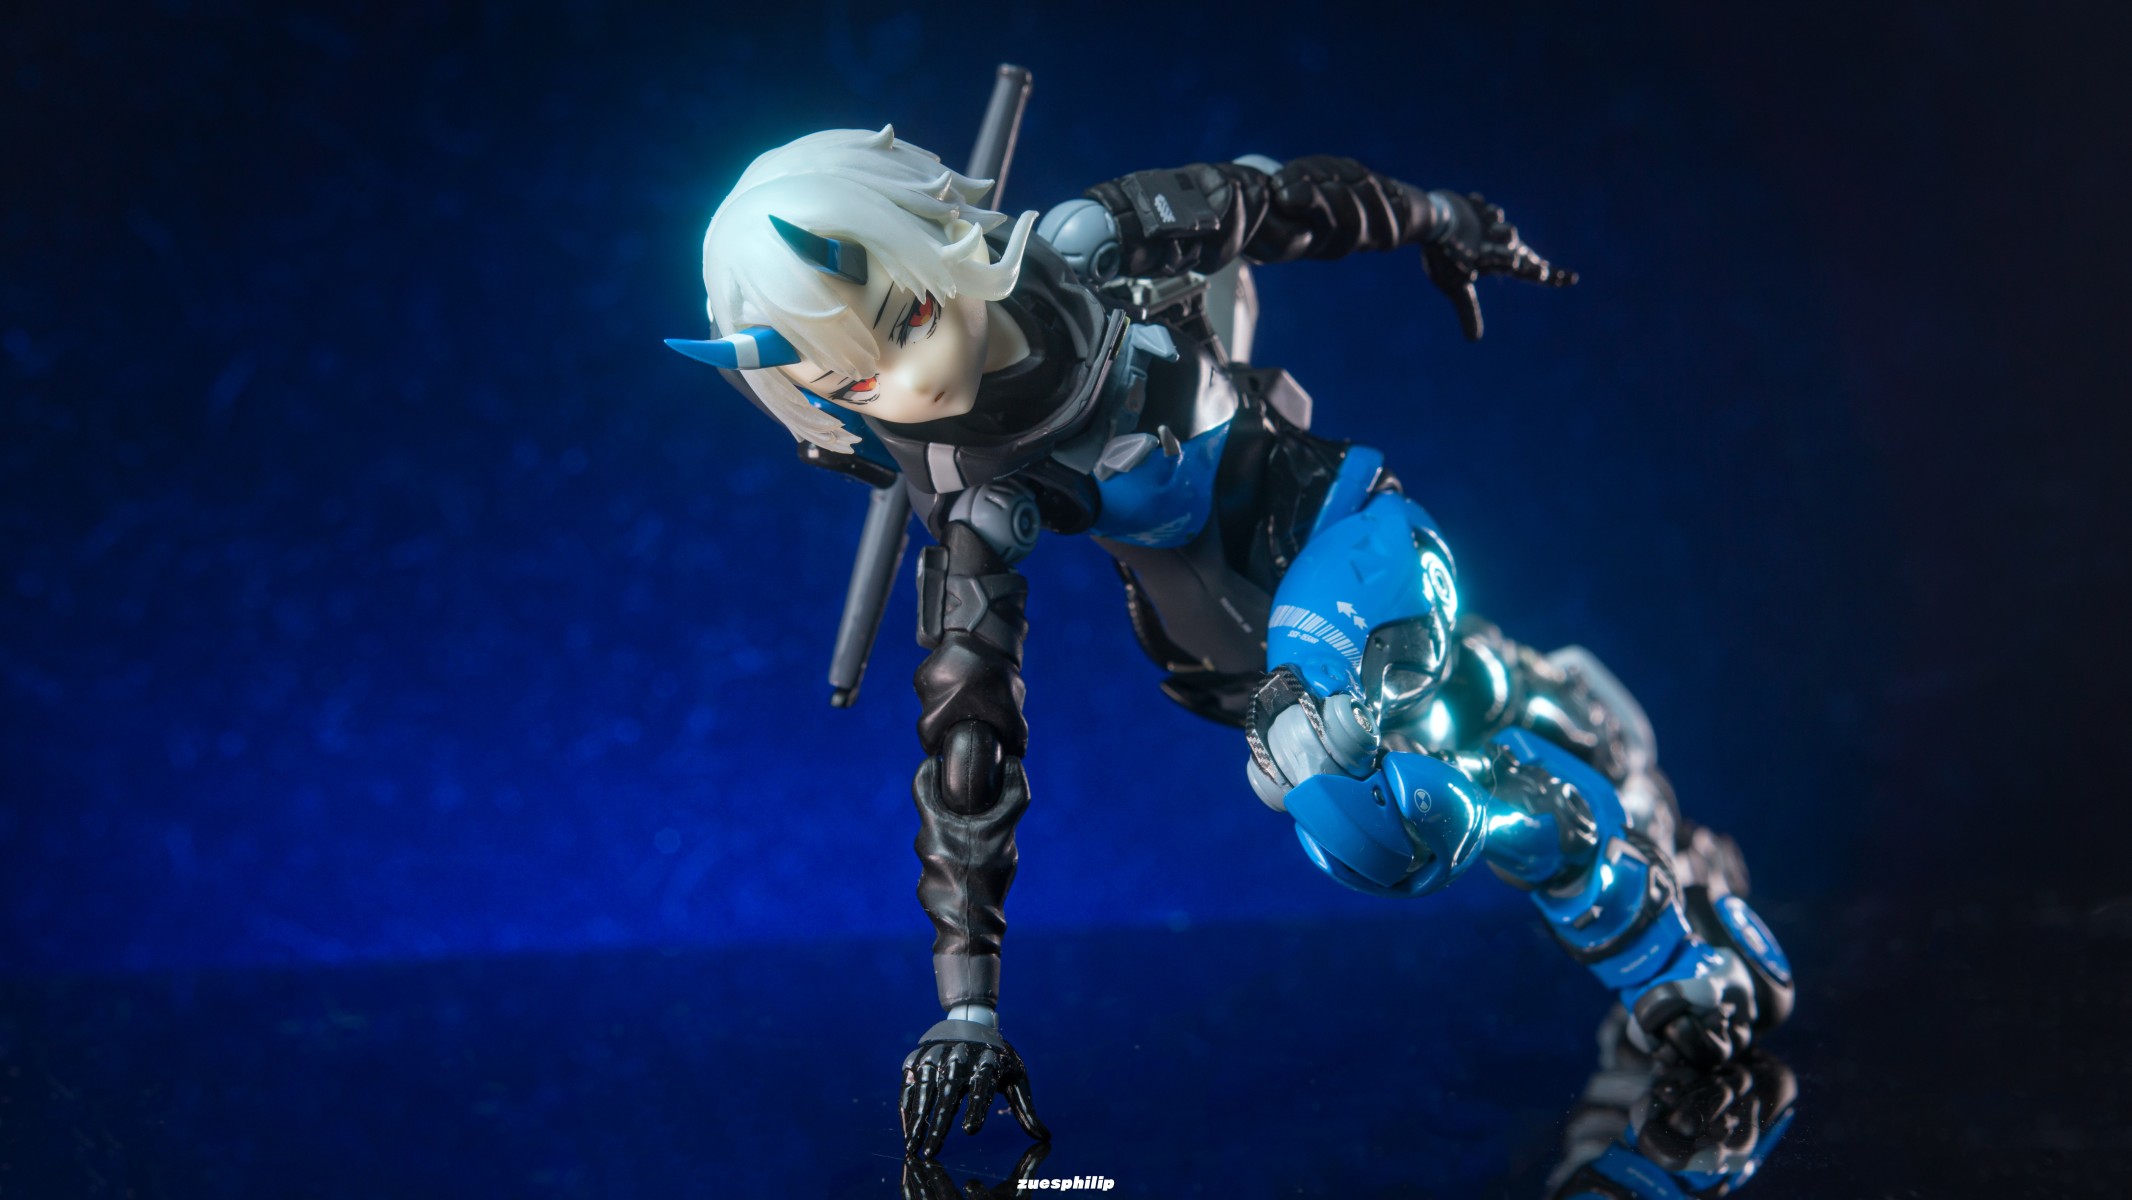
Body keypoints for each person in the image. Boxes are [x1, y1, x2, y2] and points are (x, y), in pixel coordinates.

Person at [666, 125, 1796, 1160]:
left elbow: (1284, 201)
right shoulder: (977, 501)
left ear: (942, 238)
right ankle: (1621, 830)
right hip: (1230, 658)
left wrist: (1445, 220)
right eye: (858, 380)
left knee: (1328, 757)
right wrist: (967, 1004)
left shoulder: (1098, 247)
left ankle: (1669, 957)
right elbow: (970, 744)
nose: (912, 381)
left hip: (1337, 530)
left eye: (910, 318)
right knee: (1425, 788)